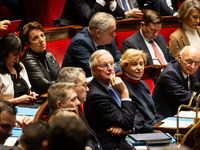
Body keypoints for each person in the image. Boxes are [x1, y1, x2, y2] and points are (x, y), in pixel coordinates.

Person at [84, 50, 137, 150]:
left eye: (112, 63)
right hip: (114, 144)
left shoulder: (114, 85)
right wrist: (124, 93)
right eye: (104, 65)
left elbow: (138, 114)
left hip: (129, 136)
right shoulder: (96, 96)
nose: (110, 68)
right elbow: (127, 122)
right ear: (94, 70)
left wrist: (129, 130)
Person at [61, 12, 122, 77]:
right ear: (98, 33)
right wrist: (114, 65)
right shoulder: (79, 43)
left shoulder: (109, 40)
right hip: (75, 84)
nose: (114, 35)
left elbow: (123, 62)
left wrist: (109, 67)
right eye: (111, 32)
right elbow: (96, 71)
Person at [57, 67, 102, 150]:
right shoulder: (63, 113)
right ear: (70, 86)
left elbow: (90, 136)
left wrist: (89, 147)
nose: (87, 89)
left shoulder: (76, 104)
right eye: (84, 85)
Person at [152, 45, 200, 122]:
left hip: (186, 113)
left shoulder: (194, 69)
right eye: (189, 61)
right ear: (179, 58)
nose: (192, 66)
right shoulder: (169, 74)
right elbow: (187, 98)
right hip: (167, 118)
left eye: (197, 62)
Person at [120, 49, 157, 132]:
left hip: (155, 127)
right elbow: (136, 121)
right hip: (143, 132)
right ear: (125, 67)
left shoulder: (143, 84)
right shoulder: (123, 88)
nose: (139, 68)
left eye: (141, 64)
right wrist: (155, 129)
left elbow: (153, 112)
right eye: (134, 64)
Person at [19, 22, 60, 95]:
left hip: (56, 94)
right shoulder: (28, 60)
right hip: (41, 100)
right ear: (27, 44)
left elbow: (60, 76)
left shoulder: (48, 55)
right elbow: (47, 86)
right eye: (35, 38)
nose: (41, 40)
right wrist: (68, 82)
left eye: (42, 35)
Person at [0, 33, 38, 105]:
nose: (17, 59)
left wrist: (30, 94)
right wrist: (16, 101)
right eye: (14, 54)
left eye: (19, 54)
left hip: (25, 109)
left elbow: (27, 90)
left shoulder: (19, 66)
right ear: (4, 52)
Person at [53, 0, 126, 27]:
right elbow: (90, 20)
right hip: (71, 32)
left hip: (95, 31)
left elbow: (122, 16)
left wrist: (111, 2)